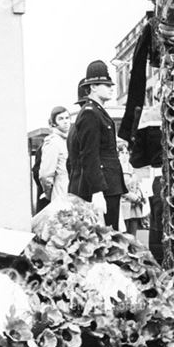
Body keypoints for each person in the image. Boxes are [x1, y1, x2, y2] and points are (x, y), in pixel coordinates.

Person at [67, 60, 126, 229]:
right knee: (105, 240)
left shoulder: (97, 112)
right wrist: (97, 191)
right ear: (93, 87)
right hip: (103, 186)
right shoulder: (90, 114)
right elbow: (90, 155)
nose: (111, 88)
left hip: (109, 185)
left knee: (111, 238)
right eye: (106, 84)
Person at [39, 106, 71, 203]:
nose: (65, 122)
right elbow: (45, 175)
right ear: (54, 122)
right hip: (60, 193)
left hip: (73, 193)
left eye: (67, 118)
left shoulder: (70, 140)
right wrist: (50, 193)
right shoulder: (52, 142)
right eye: (61, 119)